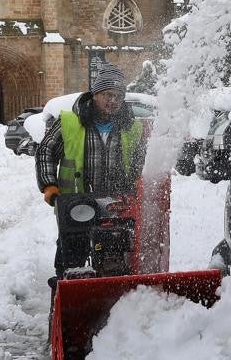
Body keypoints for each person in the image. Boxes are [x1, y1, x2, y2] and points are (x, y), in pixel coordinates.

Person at [35, 63, 147, 278]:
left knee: (117, 259)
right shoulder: (70, 122)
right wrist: (49, 185)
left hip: (118, 206)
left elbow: (139, 161)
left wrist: (138, 181)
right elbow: (45, 151)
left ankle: (116, 300)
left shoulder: (131, 127)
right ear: (95, 94)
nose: (113, 101)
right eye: (107, 95)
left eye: (118, 96)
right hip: (76, 204)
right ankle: (65, 294)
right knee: (72, 261)